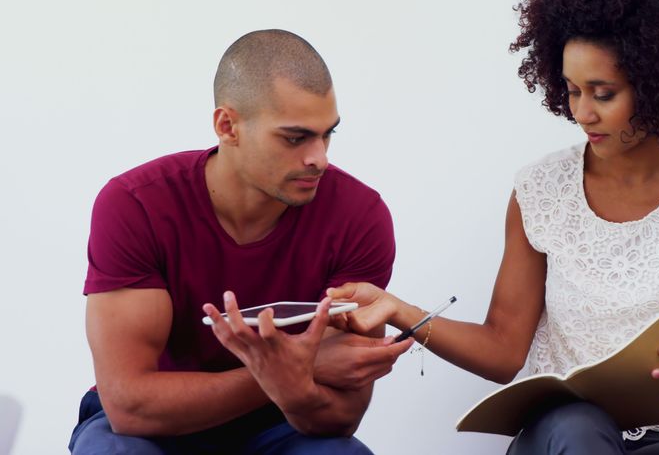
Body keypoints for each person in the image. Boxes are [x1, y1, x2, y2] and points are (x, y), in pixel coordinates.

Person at [327, 0, 659, 454]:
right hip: (564, 437)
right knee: (576, 427)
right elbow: (502, 349)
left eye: (603, 93)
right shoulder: (540, 190)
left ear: (657, 85)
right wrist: (397, 308)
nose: (583, 112)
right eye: (572, 90)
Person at [68, 29, 413, 454]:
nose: (319, 158)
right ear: (227, 126)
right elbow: (130, 407)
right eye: (295, 138)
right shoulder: (135, 205)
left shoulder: (360, 217)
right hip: (153, 428)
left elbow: (341, 416)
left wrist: (291, 379)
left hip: (280, 422)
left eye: (328, 135)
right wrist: (294, 369)